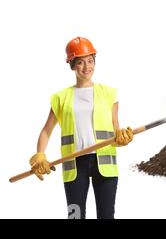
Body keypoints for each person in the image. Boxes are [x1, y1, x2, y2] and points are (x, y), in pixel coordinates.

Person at [28, 37, 134, 219]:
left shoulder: (109, 93)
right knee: (75, 216)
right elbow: (46, 130)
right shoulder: (61, 98)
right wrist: (40, 154)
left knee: (107, 216)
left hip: (105, 163)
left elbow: (116, 128)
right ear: (71, 65)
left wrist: (122, 137)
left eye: (90, 61)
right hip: (74, 164)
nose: (87, 67)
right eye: (80, 62)